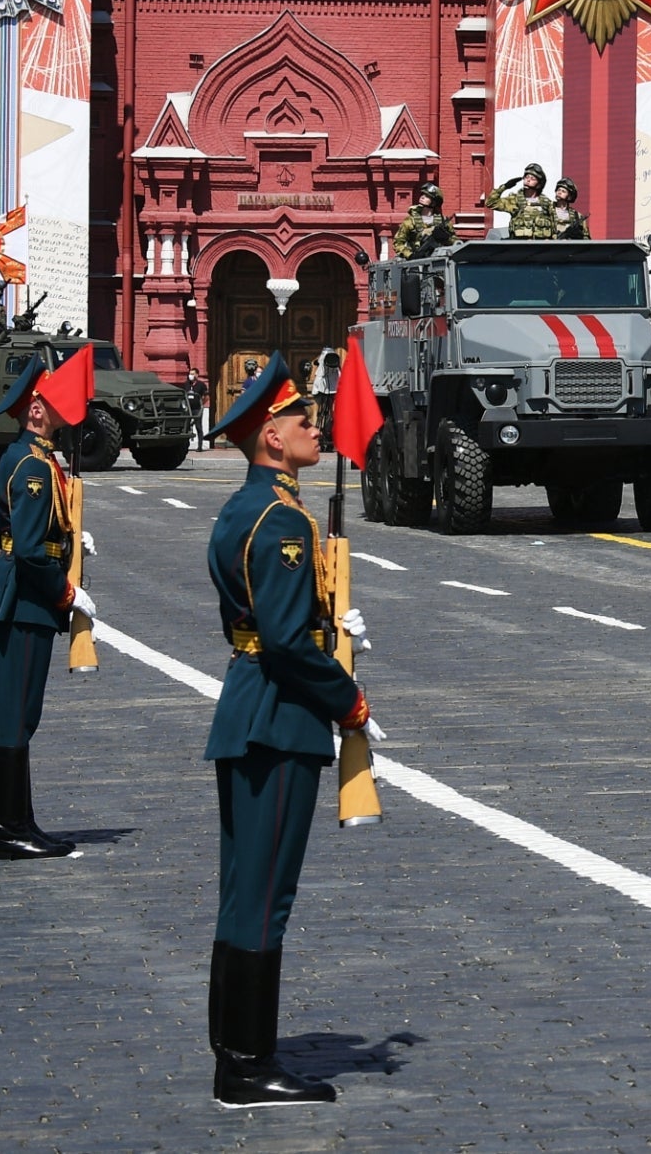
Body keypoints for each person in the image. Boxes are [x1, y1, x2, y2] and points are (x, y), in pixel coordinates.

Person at [201, 356, 374, 1108]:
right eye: (304, 419)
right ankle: (247, 1063)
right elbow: (283, 641)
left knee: (244, 890)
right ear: (271, 435)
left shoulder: (248, 509)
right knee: (265, 894)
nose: (316, 426)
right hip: (278, 718)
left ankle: (233, 1052)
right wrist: (349, 698)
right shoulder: (279, 522)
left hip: (251, 708)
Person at [0, 356, 85, 861]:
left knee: (23, 717)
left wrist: (71, 542)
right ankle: (9, 827)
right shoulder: (31, 464)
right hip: (23, 601)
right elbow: (26, 548)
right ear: (36, 408)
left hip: (27, 601)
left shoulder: (36, 458)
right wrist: (65, 590)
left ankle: (19, 821)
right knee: (16, 718)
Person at [483, 163, 562, 240]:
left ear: (539, 184)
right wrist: (505, 186)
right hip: (519, 246)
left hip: (541, 247)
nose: (528, 180)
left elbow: (556, 224)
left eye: (532, 179)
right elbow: (490, 203)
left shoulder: (546, 203)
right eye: (527, 177)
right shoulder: (515, 200)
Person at [391, 183, 455, 260]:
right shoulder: (411, 220)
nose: (422, 197)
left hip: (438, 261)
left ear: (434, 202)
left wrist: (446, 238)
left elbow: (457, 243)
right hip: (416, 264)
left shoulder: (443, 222)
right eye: (422, 194)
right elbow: (398, 243)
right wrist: (410, 255)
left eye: (427, 196)